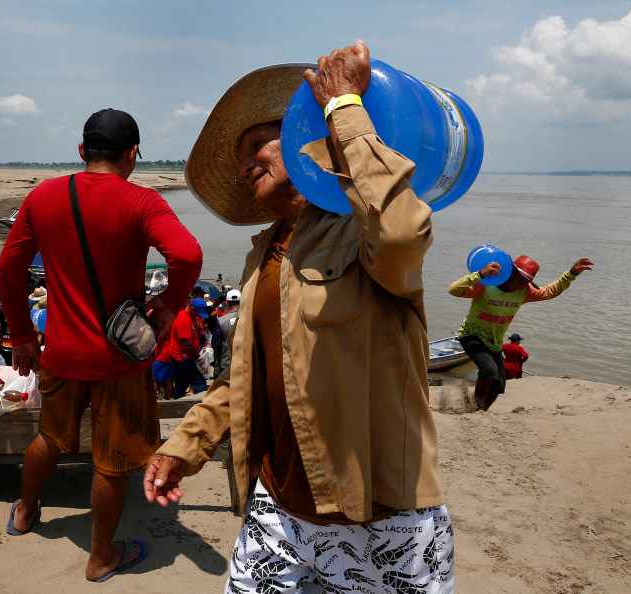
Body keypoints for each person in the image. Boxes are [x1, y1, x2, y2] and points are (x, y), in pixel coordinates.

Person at [144, 43, 454, 593]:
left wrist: (344, 112)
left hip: (381, 520)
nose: (243, 167)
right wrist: (185, 445)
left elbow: (404, 229)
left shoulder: (363, 236)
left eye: (253, 146)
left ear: (299, 135)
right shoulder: (264, 253)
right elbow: (248, 376)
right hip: (278, 509)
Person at [0, 107, 202, 583]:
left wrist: (23, 336)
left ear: (82, 151)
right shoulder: (142, 202)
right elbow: (188, 254)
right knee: (111, 462)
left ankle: (27, 511)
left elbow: (9, 268)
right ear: (132, 155)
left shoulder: (45, 195)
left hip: (61, 353)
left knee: (49, 436)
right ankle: (101, 557)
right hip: (118, 359)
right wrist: (169, 305)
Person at [449, 255, 594, 411]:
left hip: (494, 342)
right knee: (489, 371)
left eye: (526, 281)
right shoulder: (485, 286)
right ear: (510, 273)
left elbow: (550, 292)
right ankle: (474, 408)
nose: (521, 283)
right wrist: (480, 274)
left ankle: (482, 410)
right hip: (472, 335)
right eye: (519, 278)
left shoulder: (524, 292)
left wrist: (571, 273)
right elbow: (454, 290)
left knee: (499, 383)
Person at [158, 298, 210, 398]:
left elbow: (199, 331)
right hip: (181, 358)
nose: (198, 316)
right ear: (192, 308)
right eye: (197, 313)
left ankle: (176, 403)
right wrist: (197, 355)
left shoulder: (192, 317)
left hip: (186, 357)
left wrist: (203, 340)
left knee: (182, 384)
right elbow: (186, 343)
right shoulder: (183, 318)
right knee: (199, 383)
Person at [216, 289, 240, 373]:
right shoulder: (249, 319)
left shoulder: (220, 321)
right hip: (245, 362)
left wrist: (217, 364)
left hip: (226, 363)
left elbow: (216, 344)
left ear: (227, 303)